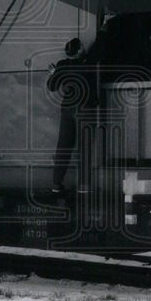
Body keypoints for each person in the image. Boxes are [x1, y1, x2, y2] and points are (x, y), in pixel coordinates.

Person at [47, 38, 99, 193]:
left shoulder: (62, 65)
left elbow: (51, 86)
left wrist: (55, 73)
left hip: (67, 109)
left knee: (63, 146)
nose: (84, 46)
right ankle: (83, 185)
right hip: (85, 109)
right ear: (78, 51)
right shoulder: (88, 62)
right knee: (85, 147)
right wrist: (103, 27)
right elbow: (98, 46)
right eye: (82, 46)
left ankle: (57, 184)